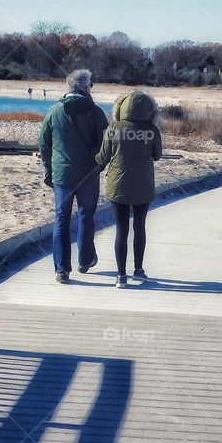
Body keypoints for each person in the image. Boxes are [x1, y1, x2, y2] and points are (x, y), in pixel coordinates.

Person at [38, 69, 109, 284]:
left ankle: (62, 269)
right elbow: (106, 144)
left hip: (62, 175)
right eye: (91, 85)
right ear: (86, 87)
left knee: (61, 218)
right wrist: (99, 165)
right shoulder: (95, 112)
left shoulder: (54, 111)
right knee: (86, 216)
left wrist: (49, 168)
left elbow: (44, 144)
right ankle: (85, 260)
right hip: (88, 174)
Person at [96, 90, 162, 289]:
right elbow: (157, 155)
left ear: (121, 108)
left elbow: (103, 157)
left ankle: (121, 276)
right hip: (143, 185)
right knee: (139, 227)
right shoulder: (151, 130)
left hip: (118, 186)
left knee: (121, 230)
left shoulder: (113, 128)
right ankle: (138, 270)